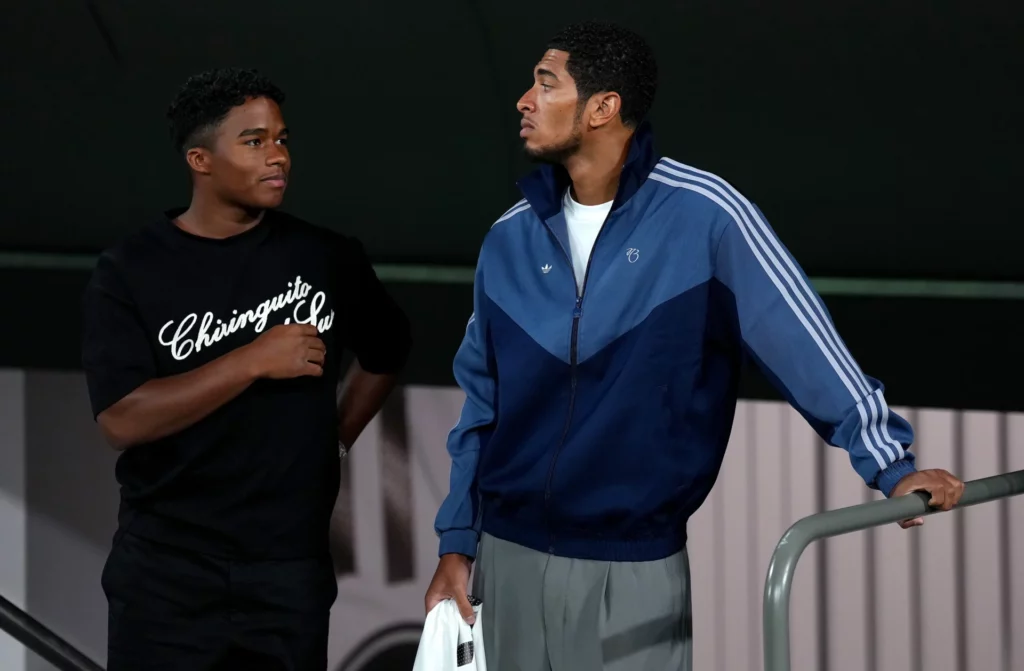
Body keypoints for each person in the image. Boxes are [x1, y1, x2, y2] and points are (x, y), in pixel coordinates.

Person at [424, 21, 965, 671]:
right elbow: (481, 406)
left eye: (546, 84)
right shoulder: (507, 238)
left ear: (602, 107)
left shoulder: (708, 215)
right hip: (505, 560)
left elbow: (805, 343)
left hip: (633, 570)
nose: (524, 100)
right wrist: (457, 541)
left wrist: (891, 463)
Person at [81, 67, 412, 670]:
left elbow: (388, 351)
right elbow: (122, 420)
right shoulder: (130, 269)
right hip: (165, 571)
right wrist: (252, 361)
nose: (278, 156)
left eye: (281, 139)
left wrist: (335, 438)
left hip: (288, 570)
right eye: (254, 141)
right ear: (200, 160)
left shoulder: (327, 256)